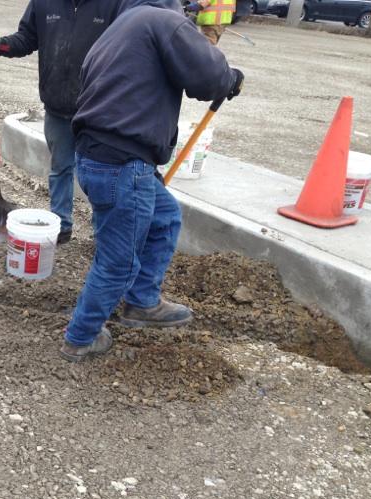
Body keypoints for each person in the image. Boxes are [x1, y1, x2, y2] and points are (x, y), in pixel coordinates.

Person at [59, 0, 244, 362]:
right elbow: (207, 80)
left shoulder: (122, 26)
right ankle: (80, 337)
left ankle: (142, 302)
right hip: (122, 162)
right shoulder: (165, 22)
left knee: (165, 219)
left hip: (104, 156)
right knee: (119, 261)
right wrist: (231, 77)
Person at [0, 0, 121, 244]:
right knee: (60, 169)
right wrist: (1, 44)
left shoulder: (113, 4)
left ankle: (104, 236)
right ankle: (61, 227)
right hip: (57, 106)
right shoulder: (44, 2)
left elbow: (127, 46)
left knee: (100, 175)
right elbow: (27, 38)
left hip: (97, 110)